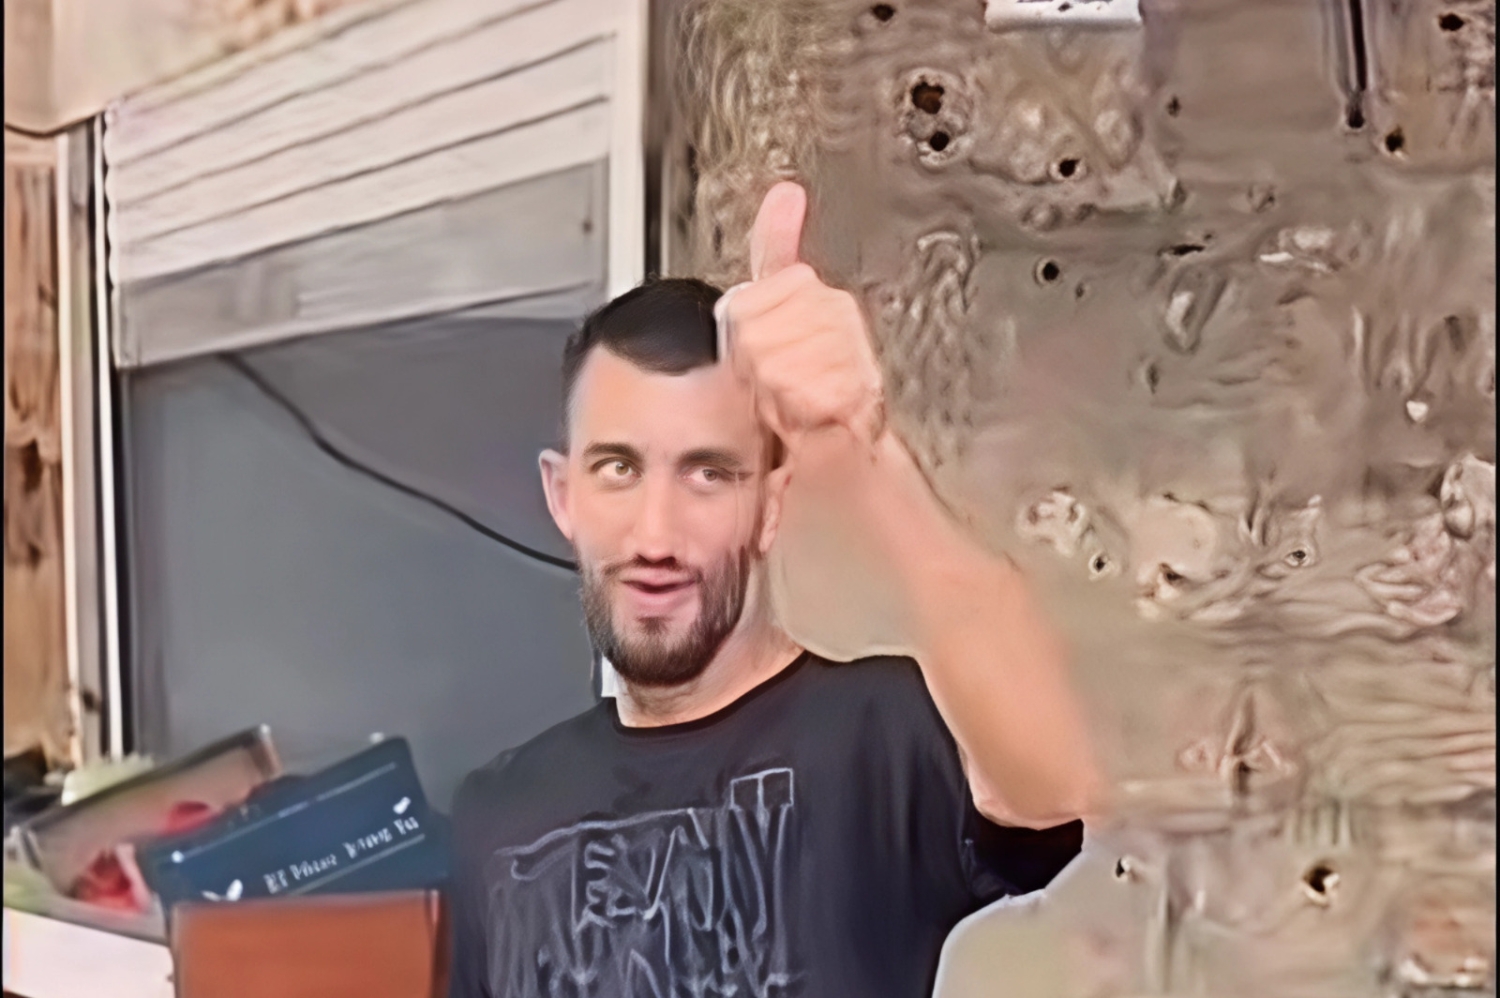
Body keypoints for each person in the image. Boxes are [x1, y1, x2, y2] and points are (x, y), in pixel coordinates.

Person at [448, 183, 1102, 998]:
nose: (656, 536)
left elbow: (1052, 780)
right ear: (563, 496)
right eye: (618, 468)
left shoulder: (883, 734)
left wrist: (863, 446)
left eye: (708, 473)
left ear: (770, 504)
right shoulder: (497, 812)